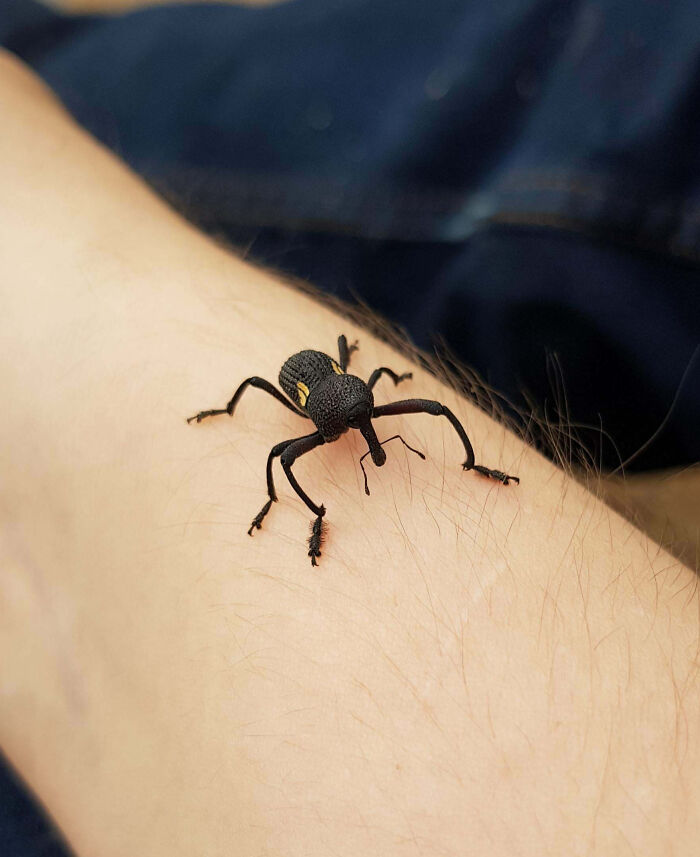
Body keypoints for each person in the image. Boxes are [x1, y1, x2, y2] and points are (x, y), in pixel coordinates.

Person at [1, 49, 700, 857]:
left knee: (431, 401)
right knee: (273, 449)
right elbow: (279, 463)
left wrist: (427, 438)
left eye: (364, 415)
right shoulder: (312, 425)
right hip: (297, 377)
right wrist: (302, 513)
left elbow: (401, 402)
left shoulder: (359, 403)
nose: (367, 433)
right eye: (356, 424)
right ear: (326, 414)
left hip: (328, 368)